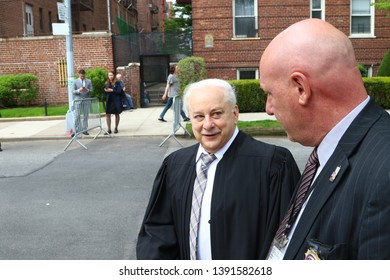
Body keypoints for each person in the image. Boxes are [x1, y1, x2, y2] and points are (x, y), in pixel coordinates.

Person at [260, 19, 390, 260]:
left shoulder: (383, 173)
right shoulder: (326, 151)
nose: (268, 108)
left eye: (270, 93)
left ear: (301, 88)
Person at [137, 78, 301, 260]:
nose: (207, 125)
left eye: (216, 114)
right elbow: (157, 233)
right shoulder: (175, 165)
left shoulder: (273, 165)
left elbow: (287, 241)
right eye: (199, 116)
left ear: (235, 113)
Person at [72, 69, 93, 136]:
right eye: (81, 76)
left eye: (83, 76)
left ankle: (85, 129)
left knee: (86, 116)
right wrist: (79, 90)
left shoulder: (89, 81)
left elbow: (92, 91)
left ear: (85, 75)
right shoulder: (75, 81)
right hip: (78, 100)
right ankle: (76, 130)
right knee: (77, 116)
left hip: (86, 100)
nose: (82, 77)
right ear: (79, 75)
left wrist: (87, 90)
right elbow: (73, 91)